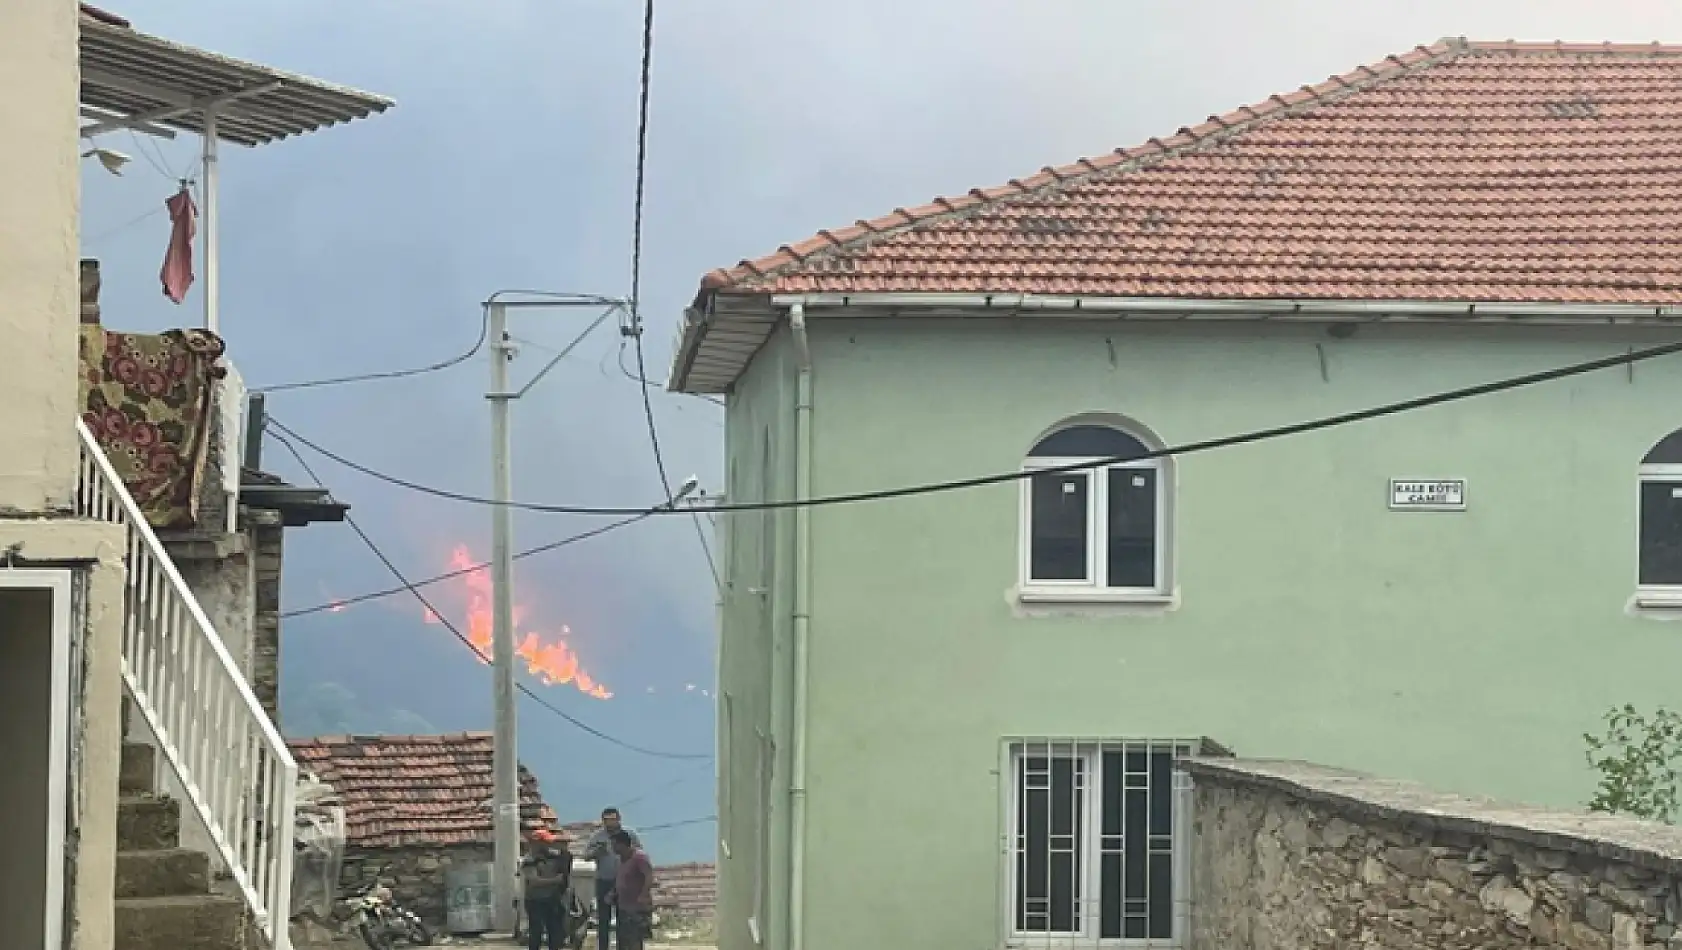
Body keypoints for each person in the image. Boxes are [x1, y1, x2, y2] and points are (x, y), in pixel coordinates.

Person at [584, 807, 641, 950]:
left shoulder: (629, 834)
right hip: (604, 880)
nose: (609, 823)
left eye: (612, 820)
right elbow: (585, 855)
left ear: (619, 819)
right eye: (606, 820)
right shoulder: (597, 836)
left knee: (624, 917)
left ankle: (623, 946)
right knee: (603, 919)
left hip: (625, 881)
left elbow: (639, 852)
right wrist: (597, 851)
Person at [522, 828, 574, 950]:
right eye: (545, 842)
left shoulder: (553, 857)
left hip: (552, 899)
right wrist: (554, 881)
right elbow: (534, 881)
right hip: (535, 900)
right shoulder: (529, 860)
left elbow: (566, 862)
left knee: (555, 933)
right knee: (536, 933)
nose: (549, 844)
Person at [607, 830, 655, 950]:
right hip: (623, 907)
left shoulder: (639, 857)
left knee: (634, 940)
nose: (613, 848)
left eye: (614, 845)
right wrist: (613, 893)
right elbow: (620, 880)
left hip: (636, 908)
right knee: (623, 941)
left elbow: (649, 877)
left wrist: (643, 895)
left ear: (623, 844)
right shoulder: (621, 860)